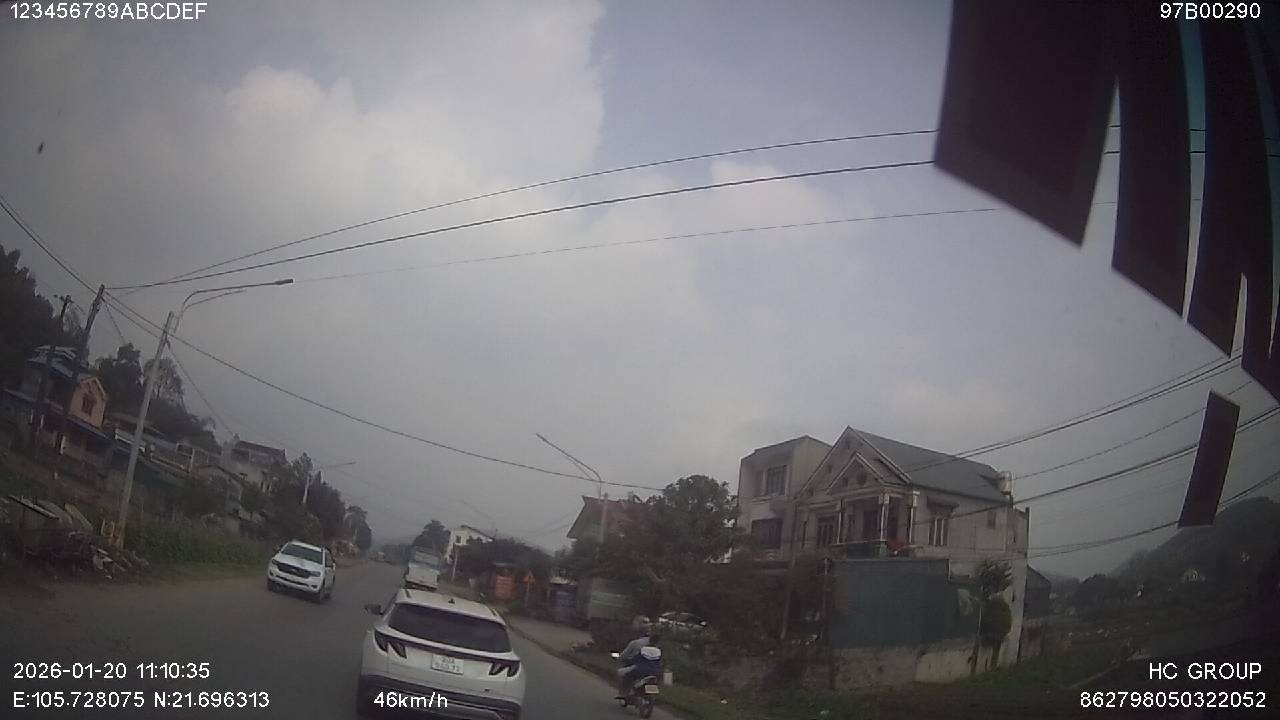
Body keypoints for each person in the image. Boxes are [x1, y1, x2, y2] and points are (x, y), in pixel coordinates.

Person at [617, 631, 662, 697]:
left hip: (641, 670)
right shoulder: (659, 651)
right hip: (655, 672)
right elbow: (659, 663)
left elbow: (636, 659)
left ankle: (624, 692)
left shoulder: (643, 649)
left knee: (627, 676)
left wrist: (629, 661)